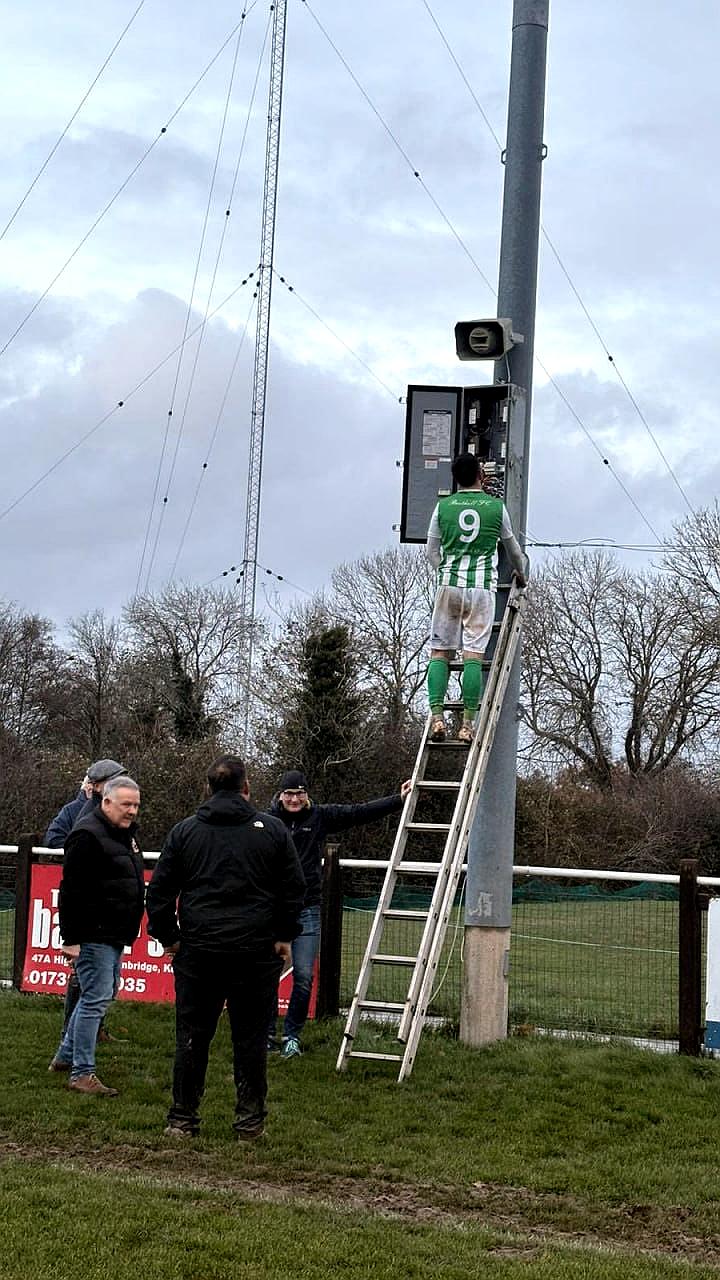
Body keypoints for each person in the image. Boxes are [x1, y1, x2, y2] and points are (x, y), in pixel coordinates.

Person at [146, 755, 305, 1141]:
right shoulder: (272, 831)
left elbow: (160, 891)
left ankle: (182, 1119)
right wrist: (284, 935)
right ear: (246, 787)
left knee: (191, 1035)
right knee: (250, 1038)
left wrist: (169, 937)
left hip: (199, 951)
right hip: (255, 951)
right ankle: (249, 1123)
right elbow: (293, 888)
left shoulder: (184, 832)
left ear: (208, 788)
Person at [267, 770, 412, 1059]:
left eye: (299, 793)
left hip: (306, 909)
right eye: (289, 794)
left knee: (305, 976)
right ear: (280, 796)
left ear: (306, 795)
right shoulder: (267, 822)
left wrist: (398, 799)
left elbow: (358, 813)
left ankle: (292, 1036)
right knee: (268, 975)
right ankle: (267, 1034)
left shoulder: (320, 816)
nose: (294, 799)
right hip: (272, 911)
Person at [48, 775, 145, 1096]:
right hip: (94, 932)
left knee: (101, 994)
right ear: (106, 802)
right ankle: (82, 1072)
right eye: (125, 804)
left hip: (114, 931)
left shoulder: (122, 834)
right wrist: (71, 938)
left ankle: (65, 1056)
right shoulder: (87, 835)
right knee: (95, 998)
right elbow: (72, 890)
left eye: (136, 805)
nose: (131, 811)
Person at [425, 452, 528, 745]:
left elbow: (431, 551)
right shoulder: (496, 507)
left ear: (456, 478)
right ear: (480, 475)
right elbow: (513, 550)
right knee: (473, 657)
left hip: (449, 586)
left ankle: (437, 718)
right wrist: (520, 574)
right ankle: (467, 725)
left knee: (440, 653)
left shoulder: (442, 507)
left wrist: (445, 571)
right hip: (482, 588)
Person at [44, 758, 128, 1042]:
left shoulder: (115, 814)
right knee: (85, 976)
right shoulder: (75, 812)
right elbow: (53, 840)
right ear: (95, 785)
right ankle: (73, 1038)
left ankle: (88, 1032)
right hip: (87, 906)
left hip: (105, 906)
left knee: (100, 981)